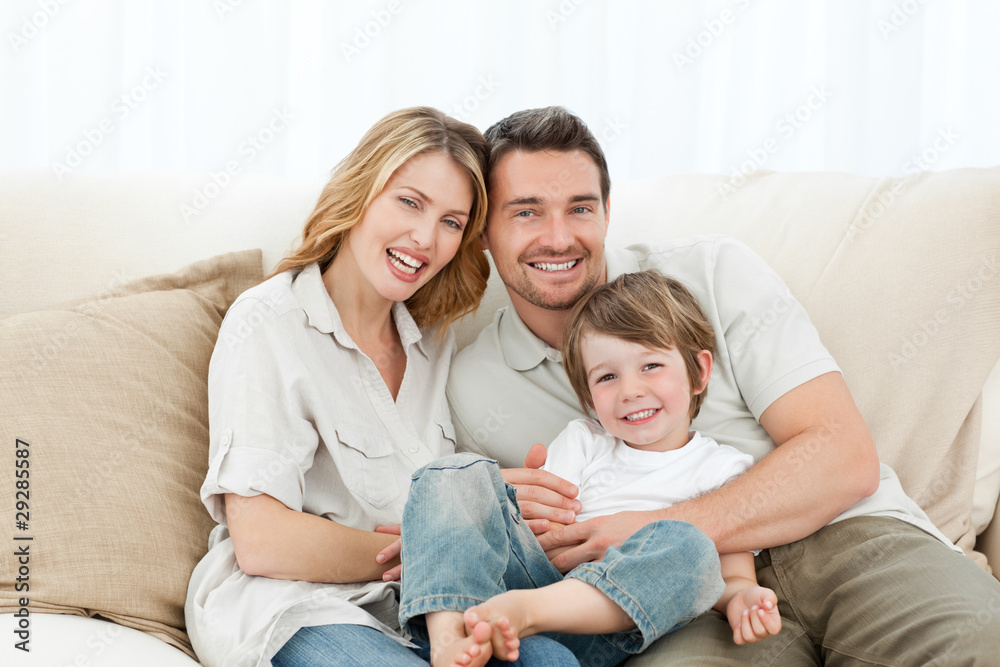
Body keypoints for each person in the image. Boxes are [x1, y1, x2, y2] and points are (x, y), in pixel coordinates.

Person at [445, 105, 1000, 665]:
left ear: (608, 213)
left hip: (844, 536)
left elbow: (843, 455)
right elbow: (476, 531)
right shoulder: (473, 385)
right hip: (677, 602)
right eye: (526, 212)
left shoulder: (715, 272)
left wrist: (657, 527)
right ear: (483, 230)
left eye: (580, 208)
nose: (559, 237)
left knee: (979, 643)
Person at [184, 107, 577, 667]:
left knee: (553, 663)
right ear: (360, 192)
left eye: (452, 222)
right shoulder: (268, 322)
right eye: (410, 202)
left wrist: (493, 502)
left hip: (417, 608)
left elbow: (432, 492)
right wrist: (438, 548)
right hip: (295, 606)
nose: (424, 238)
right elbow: (262, 541)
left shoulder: (436, 340)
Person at [393, 270, 782, 667]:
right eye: (608, 376)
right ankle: (448, 639)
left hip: (608, 624)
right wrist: (476, 513)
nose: (630, 390)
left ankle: (523, 612)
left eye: (650, 366)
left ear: (699, 371)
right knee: (452, 471)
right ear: (590, 399)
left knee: (691, 546)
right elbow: (546, 528)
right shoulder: (585, 440)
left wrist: (743, 600)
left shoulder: (723, 469)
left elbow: (730, 576)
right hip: (533, 581)